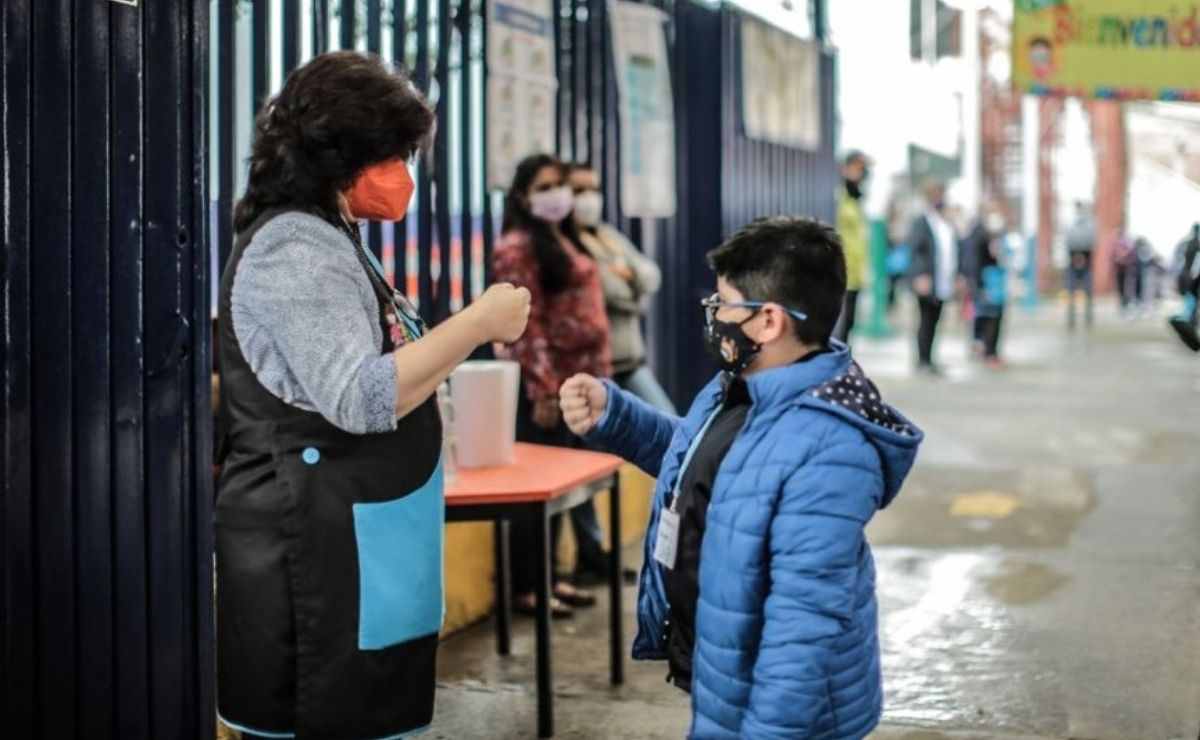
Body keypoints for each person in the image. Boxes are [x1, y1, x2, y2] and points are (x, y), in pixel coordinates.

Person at [215, 52, 532, 740]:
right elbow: (360, 397)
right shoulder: (293, 249)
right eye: (392, 153)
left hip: (358, 549)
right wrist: (476, 324)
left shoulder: (331, 235)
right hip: (316, 565)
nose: (404, 172)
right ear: (339, 156)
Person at [560, 217, 923, 738]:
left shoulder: (829, 450)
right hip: (725, 675)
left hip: (782, 713)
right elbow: (704, 472)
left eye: (724, 304)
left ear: (769, 321)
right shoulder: (742, 384)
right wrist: (615, 417)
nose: (714, 316)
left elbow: (801, 634)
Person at [492, 153, 611, 617]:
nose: (557, 194)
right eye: (544, 186)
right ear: (523, 196)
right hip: (547, 387)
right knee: (532, 489)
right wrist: (542, 388)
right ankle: (528, 586)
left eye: (559, 184)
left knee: (559, 487)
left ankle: (551, 577)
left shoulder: (563, 238)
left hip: (577, 384)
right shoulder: (517, 247)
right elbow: (527, 324)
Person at [567, 162, 674, 584]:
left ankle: (670, 539)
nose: (588, 198)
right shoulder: (567, 248)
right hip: (595, 372)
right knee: (584, 468)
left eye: (592, 189)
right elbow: (613, 291)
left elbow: (650, 273)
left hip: (632, 363)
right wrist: (629, 285)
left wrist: (629, 283)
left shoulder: (606, 236)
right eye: (578, 190)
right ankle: (592, 554)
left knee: (677, 441)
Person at [906, 179, 959, 375]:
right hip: (926, 281)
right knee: (925, 320)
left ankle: (930, 358)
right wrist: (920, 275)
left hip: (941, 281)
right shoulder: (922, 222)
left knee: (936, 320)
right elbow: (916, 251)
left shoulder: (944, 221)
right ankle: (922, 360)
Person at [961, 208, 1009, 368]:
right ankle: (989, 352)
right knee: (990, 317)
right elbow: (974, 261)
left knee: (984, 316)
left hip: (988, 282)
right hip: (986, 282)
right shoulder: (981, 236)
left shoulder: (988, 235)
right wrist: (976, 285)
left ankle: (985, 349)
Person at [833, 150, 870, 345]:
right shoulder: (838, 196)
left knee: (849, 323)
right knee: (839, 324)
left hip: (855, 273)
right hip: (841, 271)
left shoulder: (857, 199)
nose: (861, 173)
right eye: (857, 168)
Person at [1169, 223, 1200, 351]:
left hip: (1188, 277)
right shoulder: (1195, 244)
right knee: (1191, 302)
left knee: (1191, 301)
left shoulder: (1187, 243)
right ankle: (1189, 324)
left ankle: (1188, 324)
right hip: (1191, 277)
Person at [1065, 201, 1096, 330]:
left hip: (1083, 258)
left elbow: (1091, 241)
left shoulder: (1088, 225)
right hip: (1076, 258)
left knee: (1086, 291)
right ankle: (1074, 318)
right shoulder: (1073, 224)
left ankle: (1086, 317)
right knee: (1074, 291)